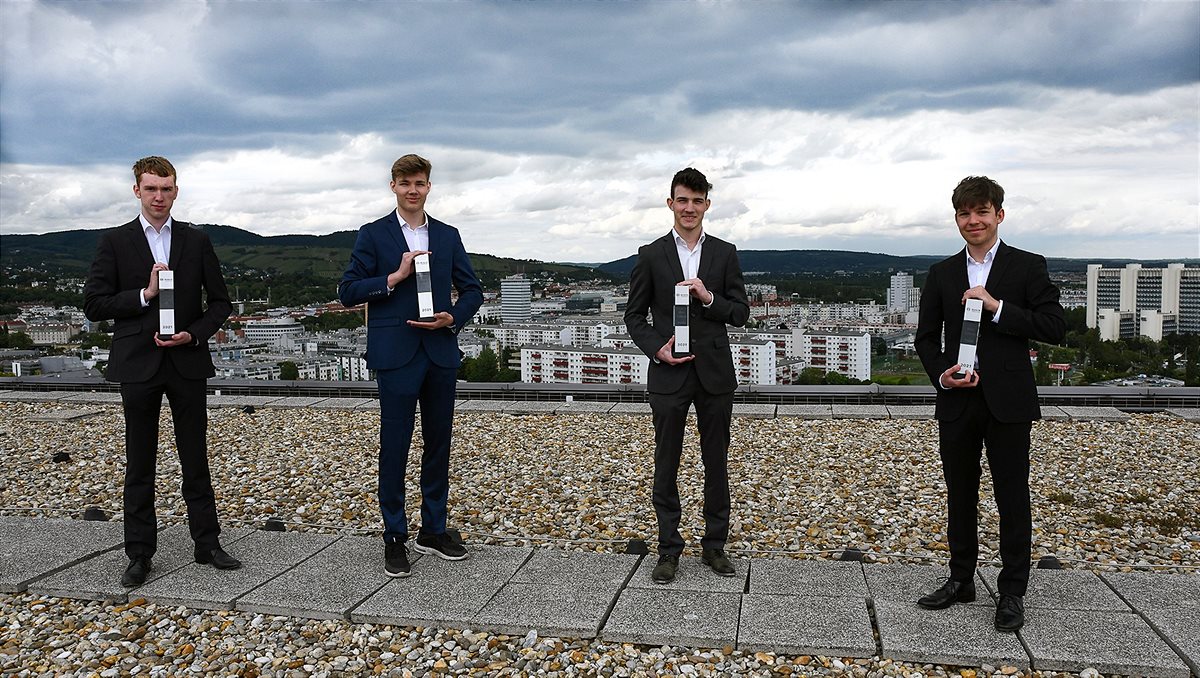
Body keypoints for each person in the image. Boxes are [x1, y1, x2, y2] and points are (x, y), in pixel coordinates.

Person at [914, 175, 1066, 632]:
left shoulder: (1027, 266)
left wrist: (997, 306)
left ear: (999, 215)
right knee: (960, 493)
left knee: (1012, 496)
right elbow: (925, 339)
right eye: (965, 213)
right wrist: (943, 373)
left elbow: (1054, 326)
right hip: (958, 400)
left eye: (982, 212)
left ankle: (1012, 591)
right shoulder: (941, 273)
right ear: (956, 218)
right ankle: (961, 579)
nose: (973, 220)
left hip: (1008, 400)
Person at [83, 156, 240, 587]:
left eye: (166, 189)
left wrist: (194, 335)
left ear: (176, 191)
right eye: (151, 188)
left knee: (195, 457)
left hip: (186, 361)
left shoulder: (196, 239)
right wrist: (143, 294)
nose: (159, 196)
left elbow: (222, 303)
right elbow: (94, 304)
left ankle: (207, 544)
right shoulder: (115, 241)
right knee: (140, 461)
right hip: (138, 363)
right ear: (137, 190)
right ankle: (139, 553)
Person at [338, 154, 483, 577]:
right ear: (393, 187)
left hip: (439, 351)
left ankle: (433, 530)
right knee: (395, 446)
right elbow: (348, 291)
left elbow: (472, 289)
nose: (412, 189)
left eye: (419, 182)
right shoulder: (373, 235)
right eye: (405, 183)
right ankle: (395, 535)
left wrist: (454, 316)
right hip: (396, 354)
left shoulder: (448, 235)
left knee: (439, 443)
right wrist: (392, 279)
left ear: (428, 186)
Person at [624, 167, 750, 584]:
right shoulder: (650, 254)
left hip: (714, 373)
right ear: (670, 204)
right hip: (668, 373)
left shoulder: (725, 252)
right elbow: (633, 316)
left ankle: (715, 546)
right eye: (683, 200)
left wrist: (708, 297)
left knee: (716, 462)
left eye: (697, 201)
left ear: (707, 205)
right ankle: (668, 549)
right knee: (667, 462)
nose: (690, 208)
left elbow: (741, 312)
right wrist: (655, 346)